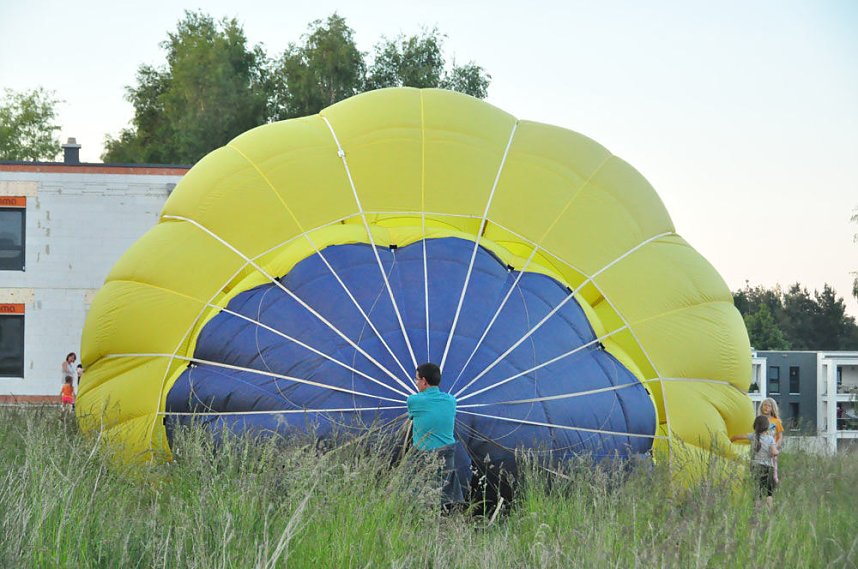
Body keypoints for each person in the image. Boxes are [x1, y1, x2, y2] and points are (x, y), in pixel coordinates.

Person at [406, 362, 464, 511]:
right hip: (447, 455)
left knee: (421, 494)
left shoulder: (414, 400)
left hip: (424, 456)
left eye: (416, 379)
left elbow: (412, 416)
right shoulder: (451, 401)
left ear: (424, 381)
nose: (416, 383)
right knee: (443, 495)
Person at [731, 415, 779, 507]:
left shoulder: (752, 436)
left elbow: (737, 436)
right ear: (767, 427)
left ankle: (756, 513)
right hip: (767, 467)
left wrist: (730, 440)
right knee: (769, 493)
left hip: (755, 467)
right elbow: (774, 452)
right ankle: (769, 513)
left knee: (757, 492)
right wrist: (777, 451)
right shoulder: (770, 439)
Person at [759, 398, 783, 483]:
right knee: (760, 471)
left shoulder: (776, 421)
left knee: (773, 471)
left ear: (772, 408)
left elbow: (780, 437)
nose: (766, 407)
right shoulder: (759, 420)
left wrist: (775, 447)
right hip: (761, 449)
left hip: (772, 450)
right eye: (765, 405)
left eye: (769, 406)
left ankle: (774, 484)